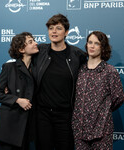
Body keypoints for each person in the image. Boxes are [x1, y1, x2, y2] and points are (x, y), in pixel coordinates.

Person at [32, 14, 87, 150]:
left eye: (58, 28)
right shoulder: (39, 52)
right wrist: (10, 85)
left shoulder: (77, 55)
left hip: (66, 116)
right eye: (51, 28)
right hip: (43, 115)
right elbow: (19, 64)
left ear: (66, 32)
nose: (54, 31)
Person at [71, 31, 124, 150]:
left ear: (103, 47)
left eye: (96, 43)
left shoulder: (109, 71)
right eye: (90, 42)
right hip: (80, 129)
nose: (92, 46)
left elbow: (118, 97)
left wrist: (103, 111)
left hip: (102, 130)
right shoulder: (79, 70)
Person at [0, 32, 39, 150]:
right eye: (30, 42)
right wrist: (17, 100)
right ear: (22, 49)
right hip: (8, 127)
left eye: (34, 40)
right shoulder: (9, 68)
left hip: (26, 128)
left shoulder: (37, 70)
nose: (35, 43)